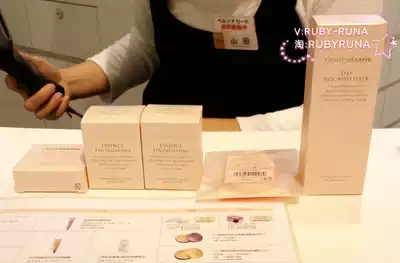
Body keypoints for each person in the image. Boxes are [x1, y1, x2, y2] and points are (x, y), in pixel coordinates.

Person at [5, 0, 382, 130]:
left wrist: (199, 131)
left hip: (275, 169)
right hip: (166, 160)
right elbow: (147, 46)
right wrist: (67, 80)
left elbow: (343, 113)